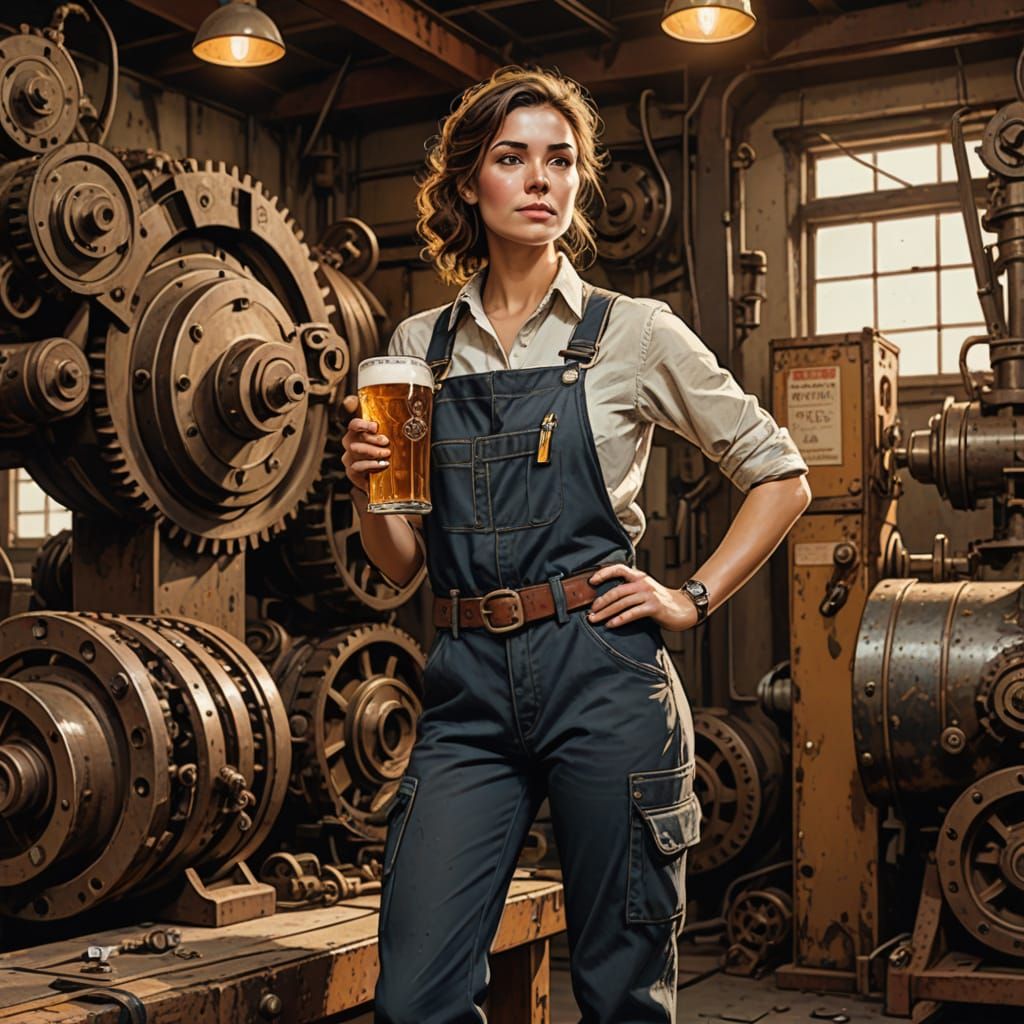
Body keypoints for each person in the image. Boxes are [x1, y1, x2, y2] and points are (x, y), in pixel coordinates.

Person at [341, 66, 811, 1024]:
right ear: (471, 180)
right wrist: (361, 489)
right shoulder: (419, 346)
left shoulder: (635, 334)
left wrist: (691, 596)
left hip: (600, 674)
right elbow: (403, 566)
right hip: (465, 682)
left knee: (621, 993)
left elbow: (782, 475)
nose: (540, 179)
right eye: (512, 159)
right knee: (411, 998)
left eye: (560, 160)